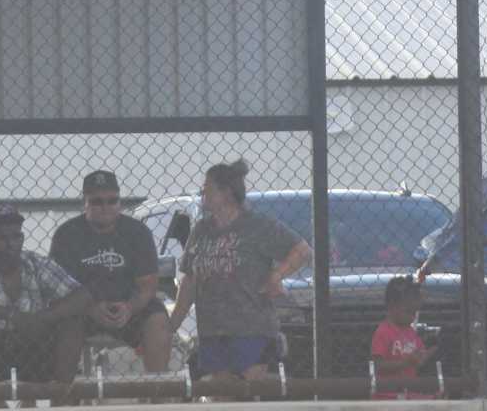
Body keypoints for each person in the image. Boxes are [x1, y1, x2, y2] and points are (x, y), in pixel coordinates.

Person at [167, 159, 311, 382]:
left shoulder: (256, 226)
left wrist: (276, 275)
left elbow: (301, 251)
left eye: (208, 187)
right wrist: (173, 324)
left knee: (248, 387)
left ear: (226, 192)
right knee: (222, 392)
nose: (203, 192)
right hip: (213, 329)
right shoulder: (202, 230)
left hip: (251, 327)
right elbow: (190, 280)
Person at [0, 203, 92, 395]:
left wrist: (43, 317)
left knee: (73, 320)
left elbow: (82, 296)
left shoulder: (36, 262)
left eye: (16, 236)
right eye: (2, 238)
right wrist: (10, 315)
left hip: (32, 345)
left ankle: (60, 394)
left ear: (22, 238)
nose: (10, 243)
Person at [50, 170, 171, 373]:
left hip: (129, 308)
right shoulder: (67, 234)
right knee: (65, 321)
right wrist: (91, 309)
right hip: (83, 310)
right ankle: (63, 389)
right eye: (97, 202)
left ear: (119, 202)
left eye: (112, 201)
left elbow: (148, 285)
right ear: (84, 202)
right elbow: (57, 288)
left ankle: (158, 386)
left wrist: (129, 308)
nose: (105, 207)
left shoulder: (137, 232)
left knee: (158, 318)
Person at [370, 276, 438, 400]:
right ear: (392, 306)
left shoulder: (411, 332)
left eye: (415, 313)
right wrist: (405, 363)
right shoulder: (383, 332)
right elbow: (378, 366)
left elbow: (419, 358)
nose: (413, 317)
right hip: (386, 393)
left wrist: (425, 355)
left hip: (407, 390)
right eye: (408, 312)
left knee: (432, 398)